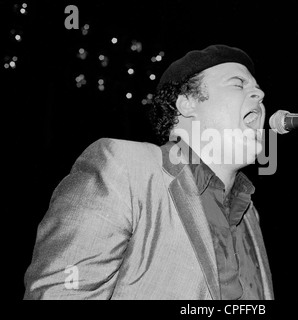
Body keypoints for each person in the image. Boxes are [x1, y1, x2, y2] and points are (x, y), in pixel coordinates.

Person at [24, 44, 273, 300]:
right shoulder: (124, 166)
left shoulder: (249, 213)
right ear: (186, 103)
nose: (260, 93)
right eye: (238, 84)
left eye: (257, 88)